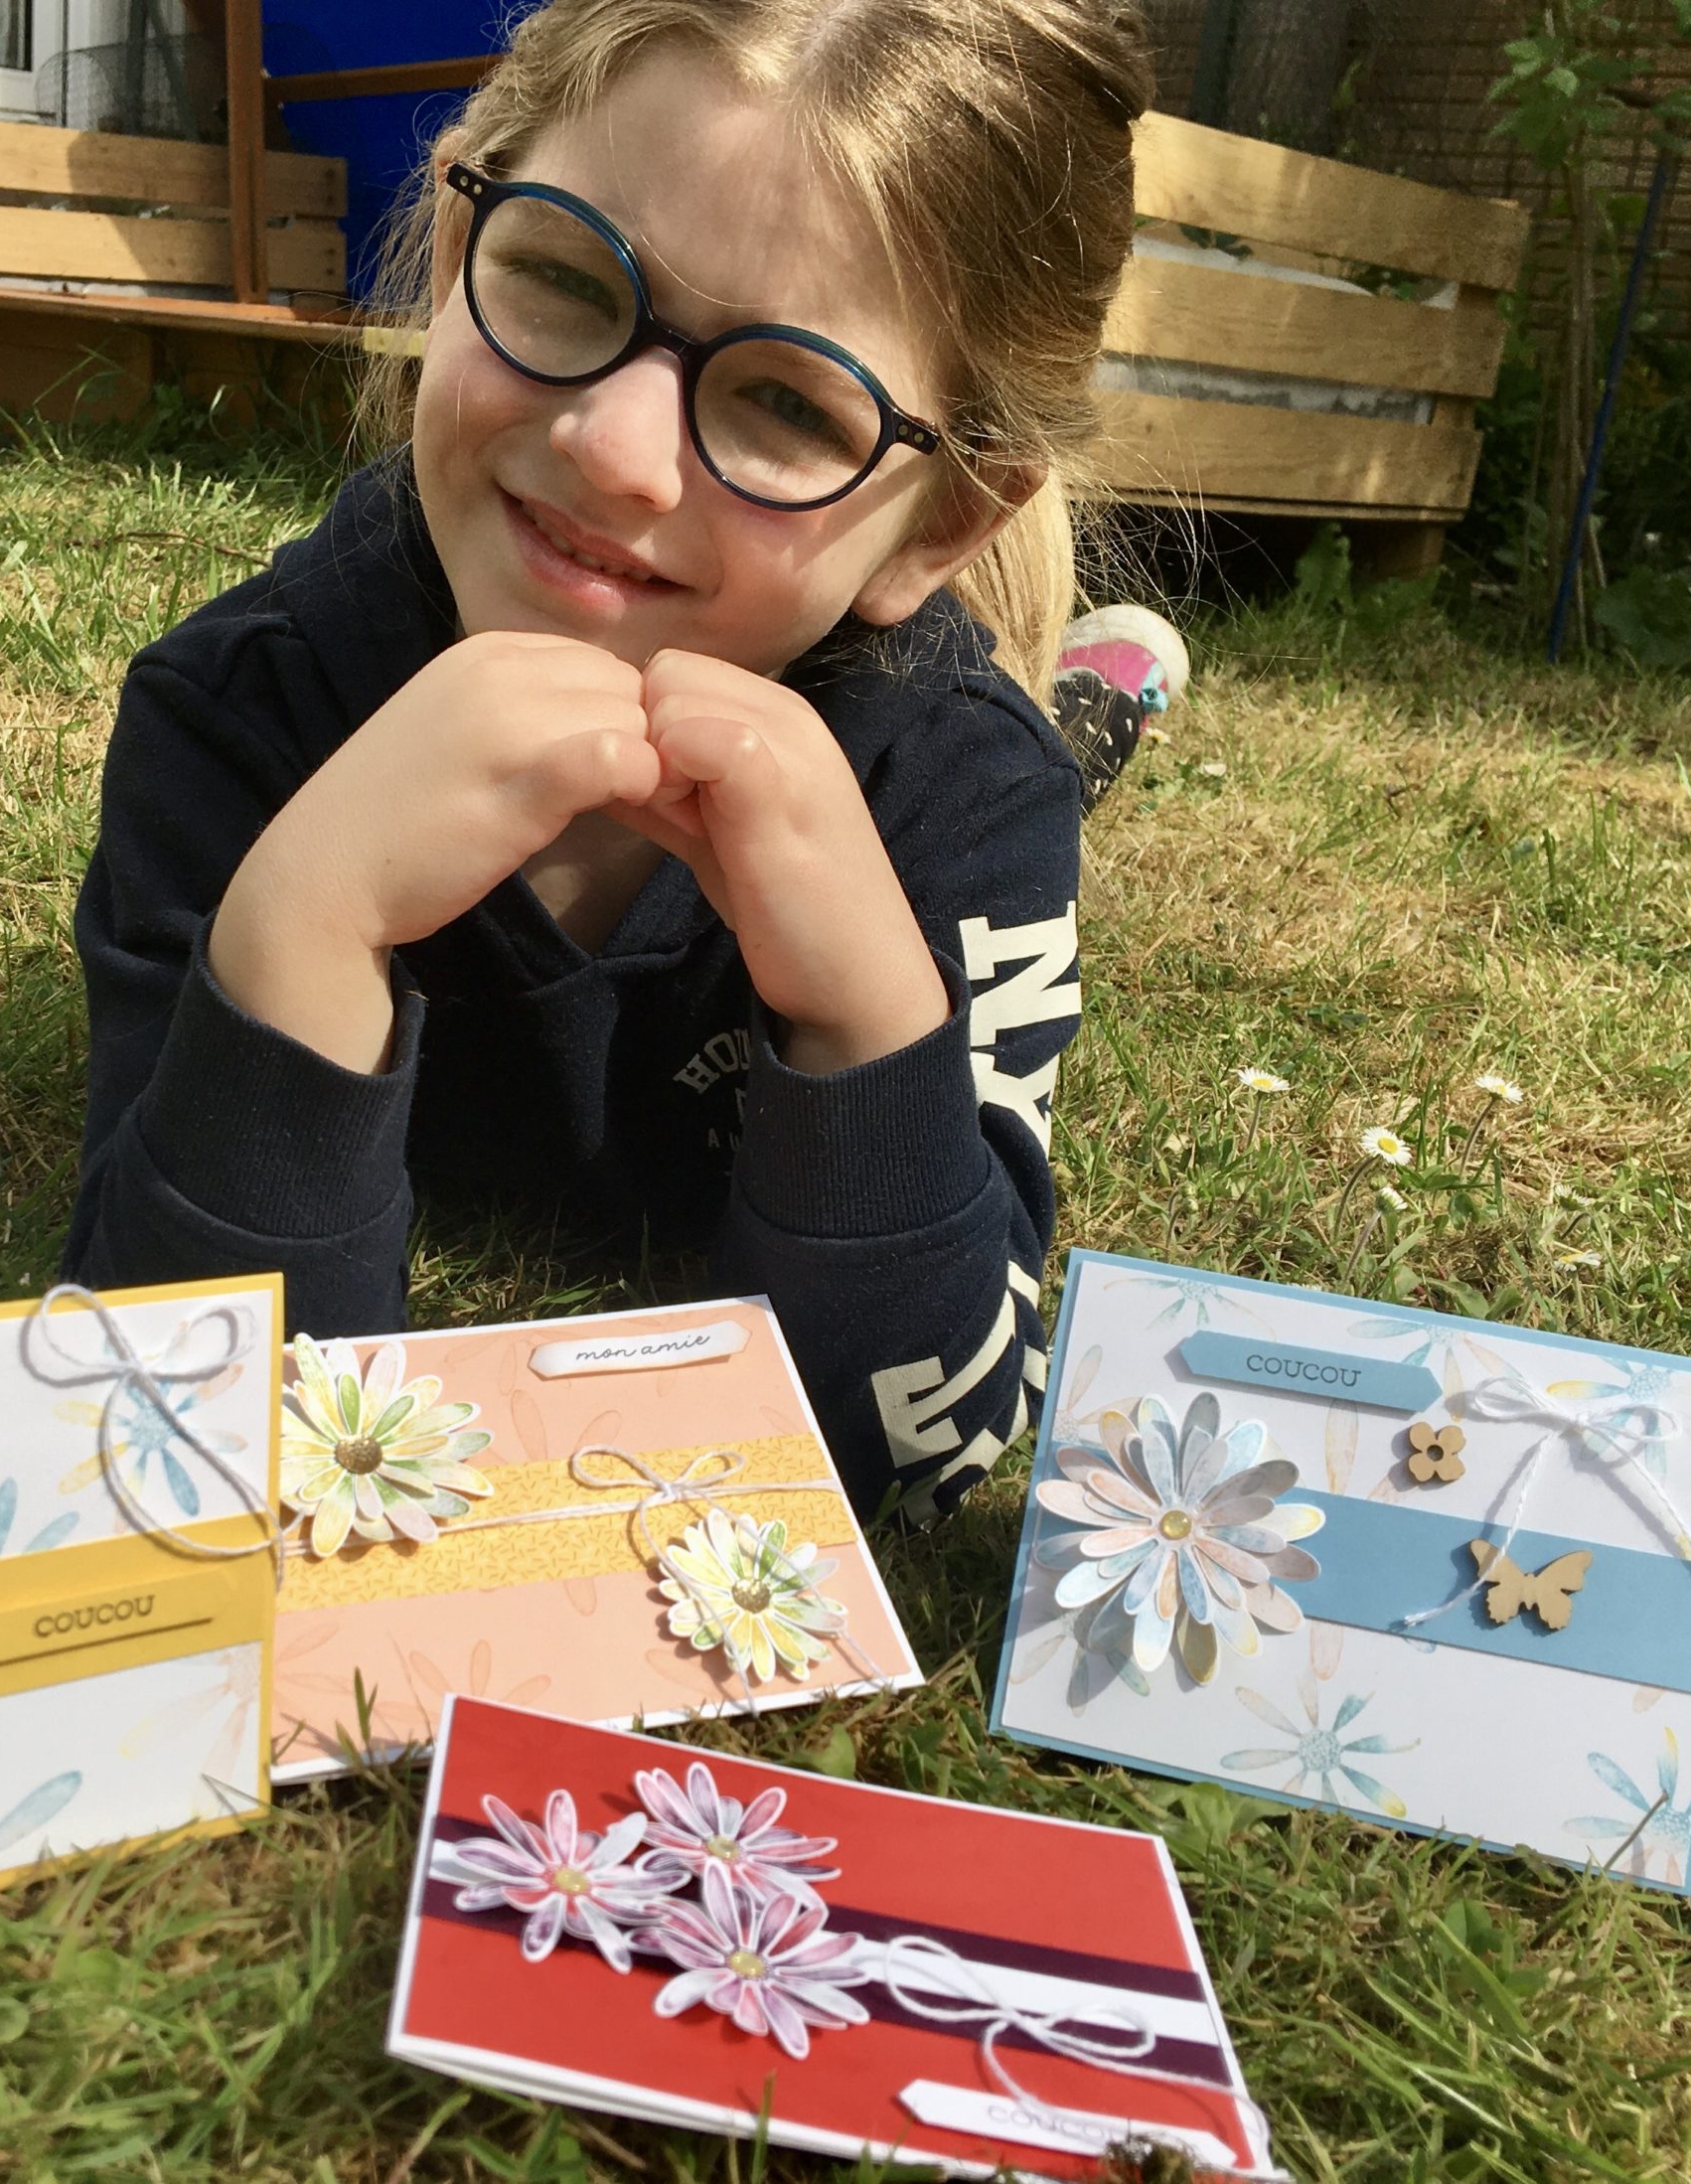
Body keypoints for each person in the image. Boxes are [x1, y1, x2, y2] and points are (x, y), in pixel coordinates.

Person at [62, 0, 1157, 1525]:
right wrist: (307, 918)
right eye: (569, 279)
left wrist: (866, 1011)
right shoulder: (235, 715)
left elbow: (920, 1456)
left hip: (942, 723)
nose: (615, 448)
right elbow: (179, 1424)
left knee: (1038, 748)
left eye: (788, 403)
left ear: (947, 522)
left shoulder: (964, 795)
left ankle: (1096, 697)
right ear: (460, 245)